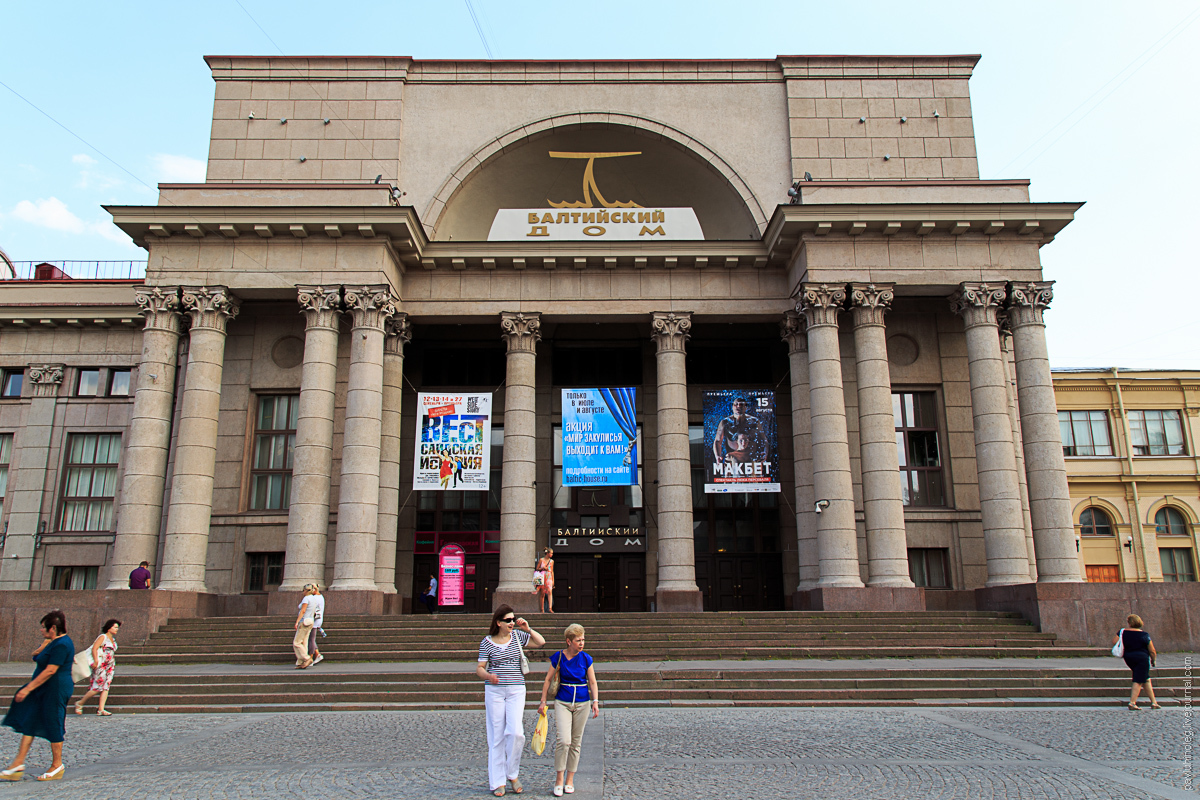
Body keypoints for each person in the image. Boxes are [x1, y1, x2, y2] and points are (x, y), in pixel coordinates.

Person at [476, 604, 545, 797]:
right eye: (508, 620)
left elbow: (540, 642)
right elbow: (480, 667)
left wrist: (528, 628)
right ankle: (498, 781)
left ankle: (512, 774)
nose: (512, 623)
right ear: (498, 622)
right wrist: (489, 676)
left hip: (516, 690)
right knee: (496, 736)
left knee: (516, 733)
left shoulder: (517, 637)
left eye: (513, 619)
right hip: (495, 692)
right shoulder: (487, 642)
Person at [1, 611, 75, 781]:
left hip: (54, 689)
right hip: (43, 689)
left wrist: (28, 689)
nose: (41, 630)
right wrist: (44, 645)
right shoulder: (53, 642)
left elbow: (51, 670)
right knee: (31, 721)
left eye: (44, 628)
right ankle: (18, 764)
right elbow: (36, 656)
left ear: (53, 628)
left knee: (54, 722)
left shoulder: (62, 644)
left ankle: (57, 765)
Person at [538, 624, 600, 797]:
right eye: (578, 640)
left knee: (576, 742)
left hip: (582, 702)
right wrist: (543, 701)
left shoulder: (586, 658)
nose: (581, 643)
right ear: (568, 641)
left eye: (583, 640)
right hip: (563, 701)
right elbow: (547, 680)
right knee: (563, 740)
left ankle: (570, 779)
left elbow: (592, 682)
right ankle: (559, 779)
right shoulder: (558, 657)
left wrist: (595, 701)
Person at [1113, 614, 1160, 710]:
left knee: (1145, 679)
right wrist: (1153, 659)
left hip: (1129, 658)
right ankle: (1132, 703)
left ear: (1129, 623)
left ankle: (1154, 702)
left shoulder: (1123, 632)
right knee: (1138, 680)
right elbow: (1152, 650)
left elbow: (1114, 641)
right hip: (1142, 659)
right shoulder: (1144, 635)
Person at [73, 619, 120, 716]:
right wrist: (95, 661)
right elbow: (95, 648)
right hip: (101, 665)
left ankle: (101, 709)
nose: (117, 629)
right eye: (115, 627)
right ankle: (80, 703)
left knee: (106, 687)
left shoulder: (113, 640)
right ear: (109, 627)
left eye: (117, 627)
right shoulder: (103, 637)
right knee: (97, 687)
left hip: (109, 666)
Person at [711, 396, 766, 469]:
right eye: (736, 404)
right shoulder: (725, 422)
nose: (738, 406)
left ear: (746, 407)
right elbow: (718, 441)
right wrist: (717, 456)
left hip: (752, 459)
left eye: (741, 404)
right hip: (733, 460)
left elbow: (764, 439)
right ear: (732, 407)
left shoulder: (754, 421)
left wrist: (765, 453)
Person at [293, 583, 320, 669]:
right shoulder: (313, 599)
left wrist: (297, 622)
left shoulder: (306, 599)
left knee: (296, 643)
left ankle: (306, 658)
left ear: (306, 590)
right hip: (310, 621)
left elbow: (303, 610)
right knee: (304, 642)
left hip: (304, 621)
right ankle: (301, 662)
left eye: (303, 590)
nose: (303, 592)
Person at [305, 585, 325, 666]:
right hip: (317, 619)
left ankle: (311, 657)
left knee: (311, 639)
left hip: (314, 620)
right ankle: (317, 654)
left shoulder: (315, 598)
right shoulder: (320, 597)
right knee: (311, 638)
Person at [534, 548, 555, 614]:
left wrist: (553, 579)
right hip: (542, 576)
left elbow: (552, 571)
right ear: (547, 553)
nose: (551, 554)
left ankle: (550, 608)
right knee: (542, 593)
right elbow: (537, 568)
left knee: (550, 591)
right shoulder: (541, 560)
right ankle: (542, 609)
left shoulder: (551, 561)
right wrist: (542, 568)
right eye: (551, 553)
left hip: (549, 576)